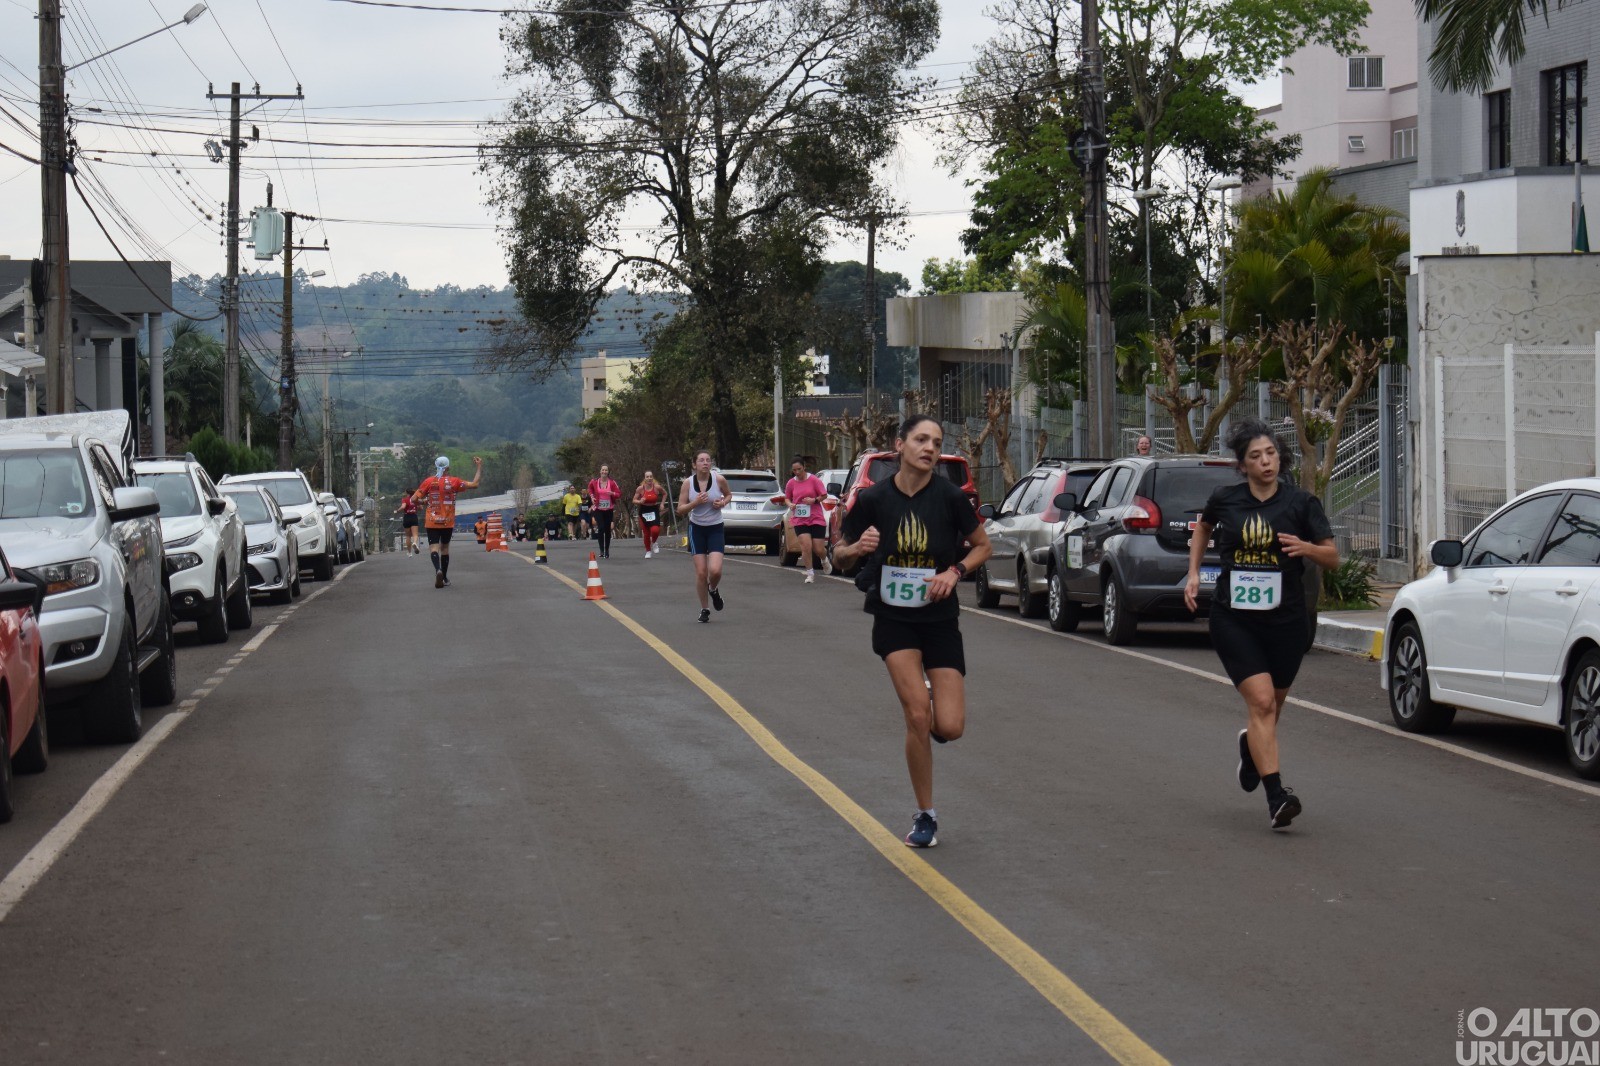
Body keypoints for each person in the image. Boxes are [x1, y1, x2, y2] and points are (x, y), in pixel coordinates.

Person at [834, 415, 992, 849]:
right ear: (899, 444)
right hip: (894, 617)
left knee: (951, 726)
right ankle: (926, 814)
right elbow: (840, 556)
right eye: (921, 440)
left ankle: (930, 701)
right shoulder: (872, 499)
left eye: (937, 443)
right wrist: (856, 548)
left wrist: (955, 571)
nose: (930, 448)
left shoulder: (950, 497)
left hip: (940, 618)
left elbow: (983, 546)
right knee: (918, 716)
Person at [1185, 418, 1337, 831]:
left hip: (1287, 620)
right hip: (1234, 618)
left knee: (1273, 707)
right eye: (1255, 456)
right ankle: (1277, 797)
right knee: (1263, 703)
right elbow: (1203, 527)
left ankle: (1251, 749)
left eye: (1270, 454)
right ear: (1243, 465)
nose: (1265, 461)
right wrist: (1195, 571)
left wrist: (1306, 547)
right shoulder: (1226, 499)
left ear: (1279, 458)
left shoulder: (1301, 504)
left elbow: (1332, 556)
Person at [412, 455, 483, 588]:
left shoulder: (428, 481)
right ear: (448, 467)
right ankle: (444, 577)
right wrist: (479, 466)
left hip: (432, 520)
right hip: (447, 521)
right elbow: (475, 484)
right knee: (445, 548)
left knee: (433, 548)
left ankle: (437, 569)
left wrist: (423, 501)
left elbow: (414, 499)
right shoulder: (454, 481)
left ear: (436, 466)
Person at [676, 450, 730, 622]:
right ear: (694, 464)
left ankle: (713, 589)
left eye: (708, 460)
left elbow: (729, 495)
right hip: (697, 529)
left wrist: (722, 503)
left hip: (715, 528)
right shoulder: (688, 483)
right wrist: (695, 503)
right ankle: (705, 609)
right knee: (701, 572)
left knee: (715, 570)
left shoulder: (718, 479)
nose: (705, 463)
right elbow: (680, 509)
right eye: (701, 460)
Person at [784, 456, 830, 584]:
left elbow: (824, 494)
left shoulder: (814, 480)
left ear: (804, 467)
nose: (797, 472)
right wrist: (790, 504)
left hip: (815, 517)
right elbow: (787, 498)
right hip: (800, 518)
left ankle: (824, 559)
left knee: (818, 548)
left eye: (799, 469)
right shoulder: (791, 483)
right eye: (794, 470)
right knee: (806, 546)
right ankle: (810, 573)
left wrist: (814, 500)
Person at [587, 465, 623, 559]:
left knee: (607, 530)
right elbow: (589, 488)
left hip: (609, 509)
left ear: (608, 472)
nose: (604, 471)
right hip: (598, 508)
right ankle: (601, 550)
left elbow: (619, 494)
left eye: (606, 470)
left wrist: (612, 493)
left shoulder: (612, 482)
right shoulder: (594, 481)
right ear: (600, 471)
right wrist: (592, 496)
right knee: (601, 527)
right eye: (603, 470)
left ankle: (606, 550)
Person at [634, 471, 666, 558]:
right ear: (645, 478)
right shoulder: (640, 489)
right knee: (646, 533)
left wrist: (662, 504)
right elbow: (634, 500)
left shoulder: (657, 487)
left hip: (654, 509)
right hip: (644, 510)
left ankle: (654, 542)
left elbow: (664, 494)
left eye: (650, 476)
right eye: (647, 477)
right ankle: (648, 551)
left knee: (655, 530)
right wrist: (640, 501)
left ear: (653, 478)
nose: (649, 478)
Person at [395, 490, 420, 555]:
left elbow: (403, 507)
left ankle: (409, 552)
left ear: (407, 493)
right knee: (415, 534)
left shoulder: (405, 499)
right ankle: (414, 542)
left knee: (408, 536)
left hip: (406, 517)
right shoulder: (416, 499)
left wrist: (397, 511)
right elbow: (421, 507)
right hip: (414, 516)